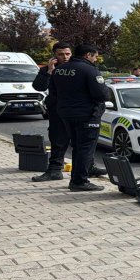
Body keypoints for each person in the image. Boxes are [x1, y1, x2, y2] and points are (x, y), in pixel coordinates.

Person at [51, 44, 108, 191]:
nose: (96, 59)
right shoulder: (89, 70)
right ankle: (79, 181)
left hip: (65, 114)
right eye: (95, 56)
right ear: (88, 55)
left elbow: (53, 92)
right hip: (86, 115)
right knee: (86, 148)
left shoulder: (59, 70)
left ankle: (76, 179)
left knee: (77, 146)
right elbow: (102, 94)